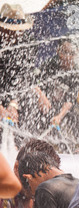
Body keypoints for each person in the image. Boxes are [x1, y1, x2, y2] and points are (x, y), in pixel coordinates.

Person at [0, 3, 52, 138]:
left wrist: (13, 104)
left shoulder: (26, 44)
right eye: (10, 30)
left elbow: (23, 75)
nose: (15, 34)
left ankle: (25, 142)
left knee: (32, 100)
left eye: (18, 30)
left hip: (12, 90)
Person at [38, 37, 79, 148]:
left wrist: (59, 116)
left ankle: (76, 146)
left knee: (76, 116)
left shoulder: (76, 74)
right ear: (58, 51)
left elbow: (70, 100)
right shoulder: (49, 65)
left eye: (72, 53)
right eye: (64, 52)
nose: (68, 57)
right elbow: (35, 84)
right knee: (39, 112)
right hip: (45, 103)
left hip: (63, 107)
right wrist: (42, 97)